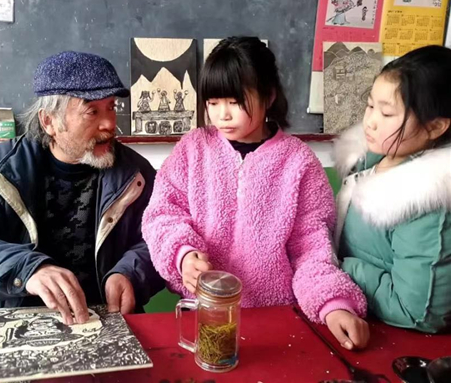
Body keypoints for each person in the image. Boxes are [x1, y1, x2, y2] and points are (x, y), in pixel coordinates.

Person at [142, 37, 369, 350]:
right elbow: (162, 215)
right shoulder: (193, 149)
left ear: (269, 96)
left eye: (235, 102)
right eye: (213, 103)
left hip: (277, 317)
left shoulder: (298, 162)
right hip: (207, 314)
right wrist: (182, 254)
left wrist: (333, 304)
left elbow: (312, 246)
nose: (222, 115)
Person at [0, 51, 164, 324]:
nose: (110, 124)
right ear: (49, 121)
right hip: (11, 317)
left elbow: (159, 238)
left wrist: (130, 272)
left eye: (111, 107)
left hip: (102, 319)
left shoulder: (136, 174)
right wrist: (26, 270)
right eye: (92, 111)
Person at [334, 45, 451, 333]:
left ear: (435, 127)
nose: (370, 122)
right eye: (370, 106)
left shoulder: (428, 199)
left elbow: (417, 311)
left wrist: (339, 267)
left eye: (387, 113)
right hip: (350, 312)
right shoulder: (369, 160)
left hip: (393, 339)